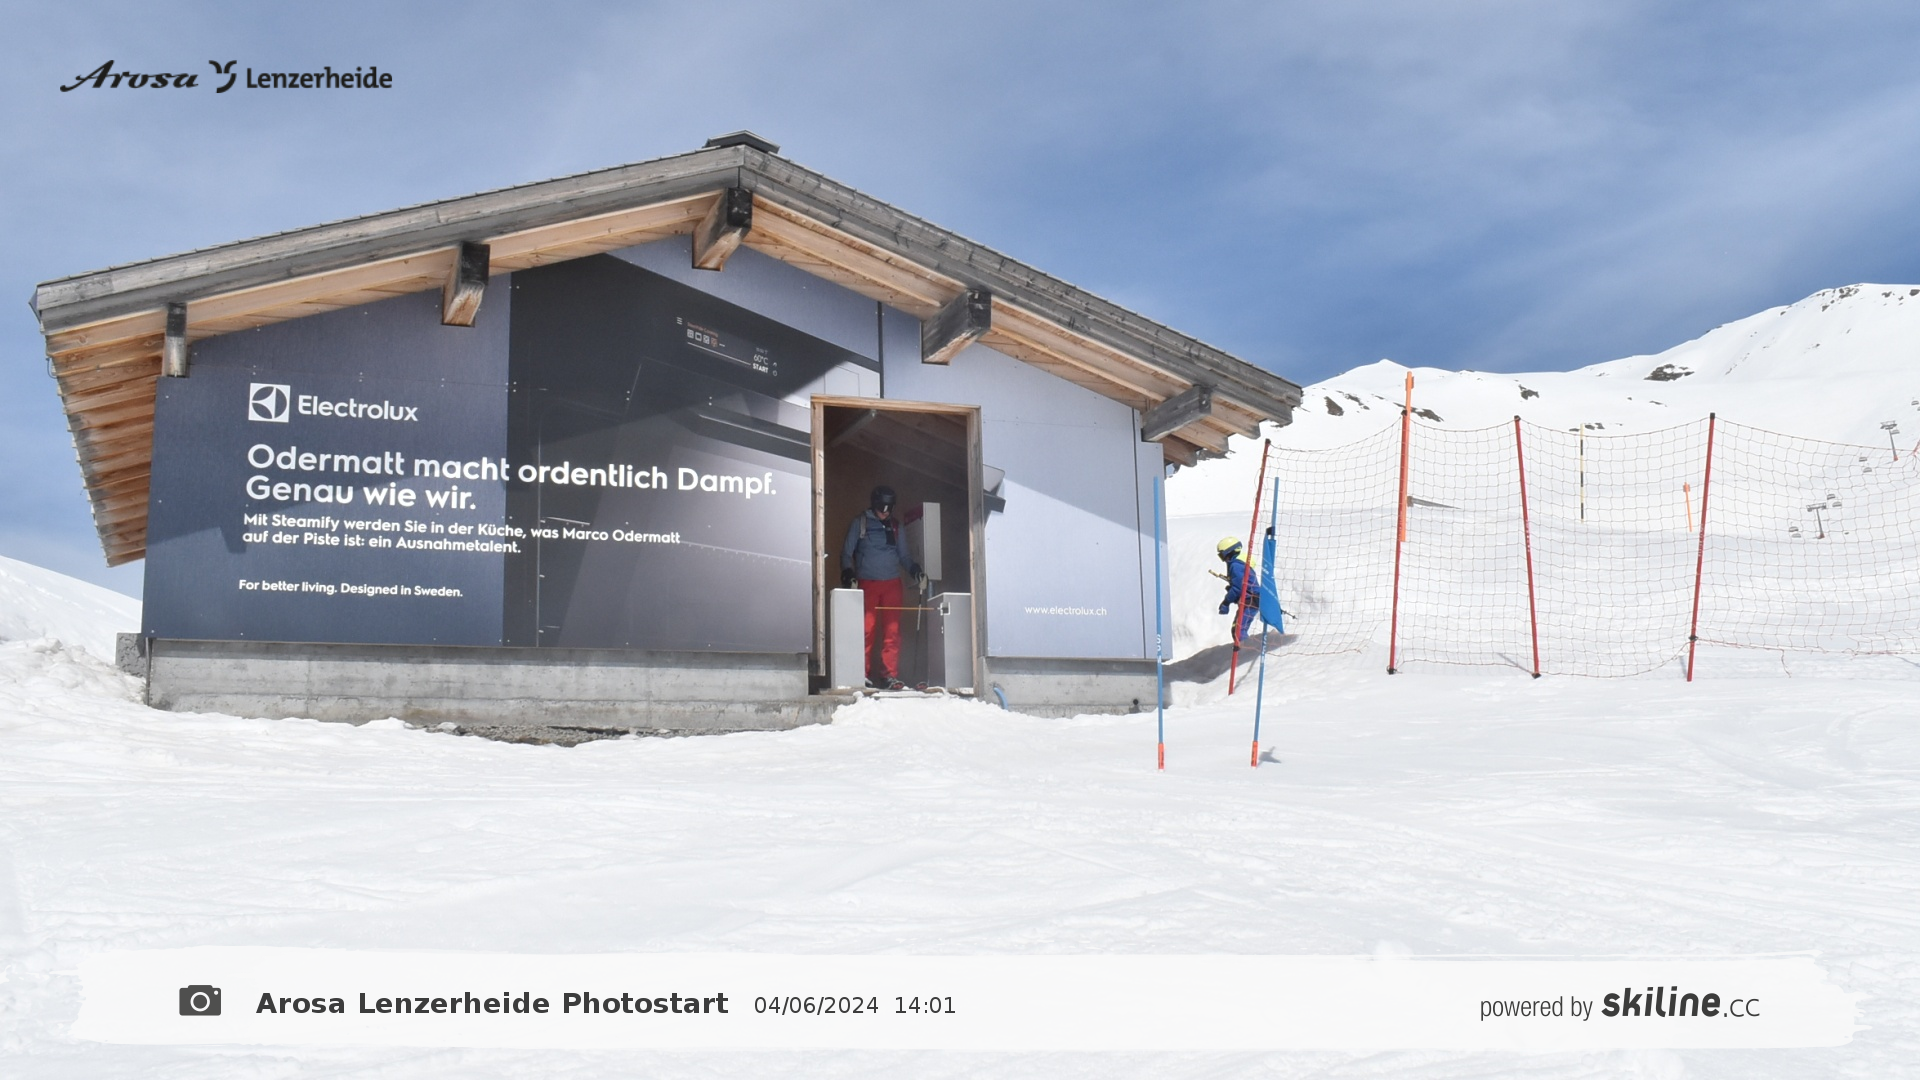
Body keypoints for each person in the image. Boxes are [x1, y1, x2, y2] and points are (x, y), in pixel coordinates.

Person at [842, 485, 925, 690]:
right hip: (867, 583)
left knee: (892, 631)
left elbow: (904, 556)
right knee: (866, 629)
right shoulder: (860, 522)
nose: (885, 512)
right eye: (881, 508)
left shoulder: (895, 526)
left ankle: (889, 675)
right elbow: (846, 553)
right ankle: (861, 674)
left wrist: (915, 570)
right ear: (874, 504)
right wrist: (848, 573)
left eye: (889, 509)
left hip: (892, 584)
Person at [1216, 536, 1261, 644]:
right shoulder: (1240, 564)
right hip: (1252, 599)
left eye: (1223, 555)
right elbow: (1240, 585)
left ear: (1229, 552)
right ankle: (1245, 648)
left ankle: (1246, 650)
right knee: (1237, 628)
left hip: (1250, 600)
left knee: (1239, 630)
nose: (1223, 560)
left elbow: (1238, 588)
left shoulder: (1236, 566)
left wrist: (1226, 602)